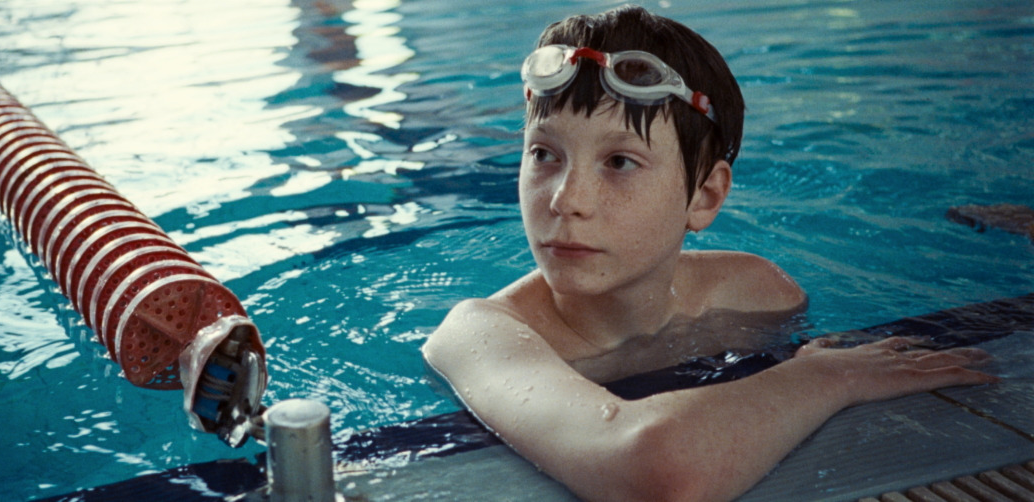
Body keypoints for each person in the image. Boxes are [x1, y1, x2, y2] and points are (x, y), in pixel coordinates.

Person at [420, 5, 999, 502]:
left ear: (705, 196)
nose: (566, 200)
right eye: (544, 154)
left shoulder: (758, 293)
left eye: (619, 162)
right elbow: (655, 470)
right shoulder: (478, 335)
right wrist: (828, 377)